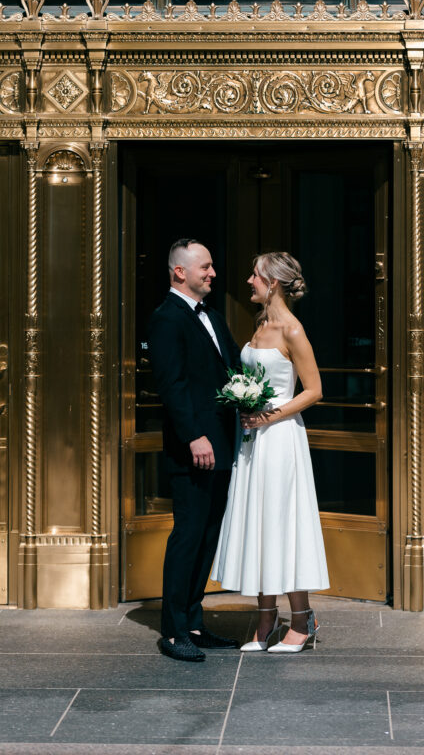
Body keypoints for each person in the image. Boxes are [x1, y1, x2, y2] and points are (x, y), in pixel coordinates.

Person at [211, 251, 329, 653]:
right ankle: (265, 619)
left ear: (273, 282)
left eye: (255, 276)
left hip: (279, 439)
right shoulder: (261, 323)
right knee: (260, 522)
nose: (249, 281)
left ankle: (301, 620)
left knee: (282, 521)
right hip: (253, 441)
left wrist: (270, 416)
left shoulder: (292, 330)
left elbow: (313, 390)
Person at [147, 238, 241, 662]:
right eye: (205, 267)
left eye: (212, 266)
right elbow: (172, 384)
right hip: (194, 448)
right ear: (179, 272)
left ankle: (195, 622)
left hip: (221, 444)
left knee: (207, 535)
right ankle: (173, 631)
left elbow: (229, 371)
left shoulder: (214, 317)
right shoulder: (166, 318)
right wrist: (193, 436)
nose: (213, 273)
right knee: (187, 535)